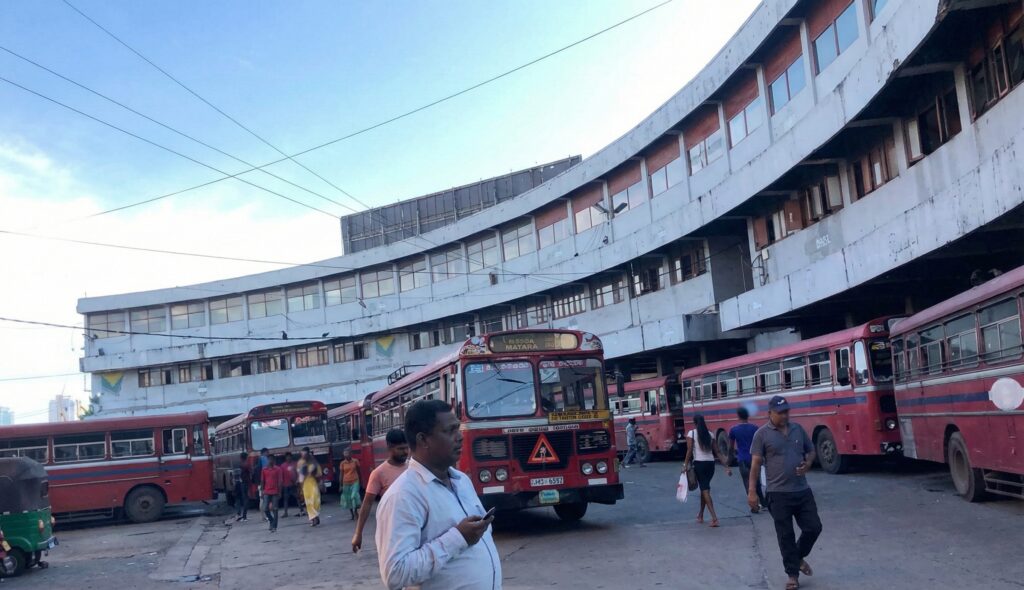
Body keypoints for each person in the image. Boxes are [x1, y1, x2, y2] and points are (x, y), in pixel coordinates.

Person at [375, 400, 501, 589]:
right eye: (449, 431)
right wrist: (457, 538)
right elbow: (396, 573)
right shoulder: (403, 496)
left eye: (457, 429)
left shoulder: (461, 481)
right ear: (423, 440)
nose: (459, 437)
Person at [749, 396, 822, 590]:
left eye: (786, 411)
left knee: (814, 527)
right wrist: (752, 493)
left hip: (802, 490)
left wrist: (808, 464)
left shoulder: (798, 429)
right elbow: (755, 465)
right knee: (785, 535)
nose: (784, 415)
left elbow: (811, 451)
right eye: (780, 412)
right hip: (777, 493)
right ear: (770, 413)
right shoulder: (761, 434)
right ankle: (792, 575)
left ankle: (797, 557)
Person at [352, 429, 410, 553]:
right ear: (389, 447)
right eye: (400, 449)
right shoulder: (378, 473)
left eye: (407, 448)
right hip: (392, 531)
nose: (405, 452)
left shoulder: (414, 468)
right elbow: (367, 504)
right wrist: (358, 533)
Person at [682, 413, 731, 527]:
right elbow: (717, 452)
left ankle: (714, 518)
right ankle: (700, 515)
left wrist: (685, 465)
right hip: (711, 465)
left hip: (699, 464)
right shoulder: (710, 434)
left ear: (694, 423)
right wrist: (726, 466)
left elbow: (689, 451)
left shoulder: (692, 433)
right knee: (704, 489)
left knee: (705, 490)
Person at [730, 406, 765, 513]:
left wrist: (731, 457)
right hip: (755, 457)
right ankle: (763, 502)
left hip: (743, 459)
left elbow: (731, 447)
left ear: (738, 416)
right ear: (748, 416)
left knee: (747, 482)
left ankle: (754, 506)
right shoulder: (755, 428)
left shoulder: (734, 430)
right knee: (756, 480)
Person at [297, 447, 323, 527]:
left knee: (316, 501)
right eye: (302, 454)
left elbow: (319, 474)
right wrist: (300, 488)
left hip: (313, 483)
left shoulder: (314, 462)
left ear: (308, 454)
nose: (303, 456)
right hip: (305, 485)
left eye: (305, 454)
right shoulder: (301, 463)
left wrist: (321, 483)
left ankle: (316, 516)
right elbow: (300, 476)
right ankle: (313, 519)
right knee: (308, 503)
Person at [261, 454, 283, 533]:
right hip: (267, 491)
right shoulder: (264, 469)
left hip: (275, 491)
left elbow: (280, 481)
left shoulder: (278, 469)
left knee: (275, 509)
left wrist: (280, 492)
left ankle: (274, 526)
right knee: (265, 508)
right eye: (269, 459)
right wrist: (262, 491)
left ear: (273, 460)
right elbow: (262, 481)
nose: (270, 461)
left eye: (271, 459)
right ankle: (271, 520)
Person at [339, 448, 361, 520]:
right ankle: (352, 513)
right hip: (346, 483)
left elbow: (359, 471)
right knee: (348, 499)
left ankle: (355, 511)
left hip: (355, 481)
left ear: (351, 454)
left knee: (354, 496)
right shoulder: (342, 463)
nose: (346, 455)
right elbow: (341, 474)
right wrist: (341, 485)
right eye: (344, 453)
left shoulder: (355, 461)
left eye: (347, 453)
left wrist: (360, 481)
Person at [234, 452, 251, 522]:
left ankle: (239, 514)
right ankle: (244, 516)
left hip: (238, 484)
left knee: (238, 499)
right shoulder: (246, 465)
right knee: (246, 499)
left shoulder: (238, 465)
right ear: (246, 458)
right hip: (244, 484)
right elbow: (250, 473)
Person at [280, 452, 298, 517]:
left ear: (291, 457)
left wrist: (297, 481)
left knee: (298, 497)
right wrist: (281, 484)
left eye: (289, 456)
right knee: (285, 499)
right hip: (286, 485)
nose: (288, 458)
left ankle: (301, 510)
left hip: (294, 484)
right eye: (287, 456)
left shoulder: (295, 464)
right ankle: (285, 513)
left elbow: (297, 473)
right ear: (285, 458)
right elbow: (281, 476)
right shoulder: (282, 466)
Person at [255, 447, 270, 521]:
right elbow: (266, 471)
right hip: (264, 483)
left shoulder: (258, 460)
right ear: (264, 452)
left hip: (260, 483)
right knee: (264, 499)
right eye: (267, 452)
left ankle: (262, 516)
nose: (268, 454)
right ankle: (265, 516)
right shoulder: (264, 459)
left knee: (262, 499)